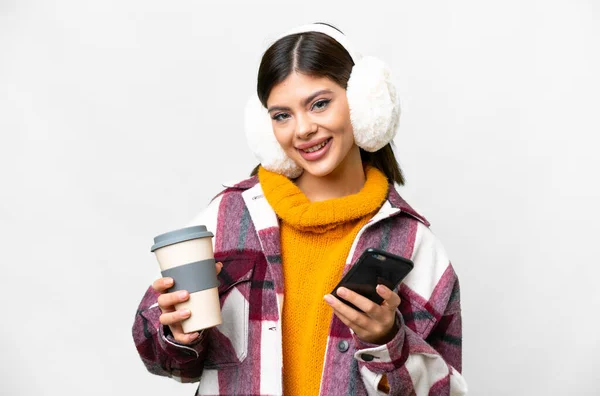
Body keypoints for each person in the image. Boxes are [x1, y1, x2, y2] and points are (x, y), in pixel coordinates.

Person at [132, 22, 468, 396]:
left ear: (362, 104)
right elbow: (162, 356)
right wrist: (177, 333)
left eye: (319, 104)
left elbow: (445, 391)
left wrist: (388, 341)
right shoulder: (226, 219)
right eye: (282, 115)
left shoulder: (414, 245)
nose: (303, 129)